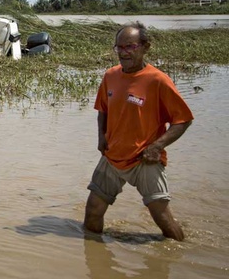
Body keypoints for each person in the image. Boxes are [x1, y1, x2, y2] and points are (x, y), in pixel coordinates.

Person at [83, 21, 193, 241]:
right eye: (120, 48)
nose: (124, 53)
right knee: (93, 211)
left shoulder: (157, 80)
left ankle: (183, 253)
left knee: (162, 218)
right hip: (113, 156)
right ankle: (95, 256)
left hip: (145, 159)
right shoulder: (110, 76)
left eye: (130, 47)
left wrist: (157, 146)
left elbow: (183, 120)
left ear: (145, 47)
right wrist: (101, 137)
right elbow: (102, 110)